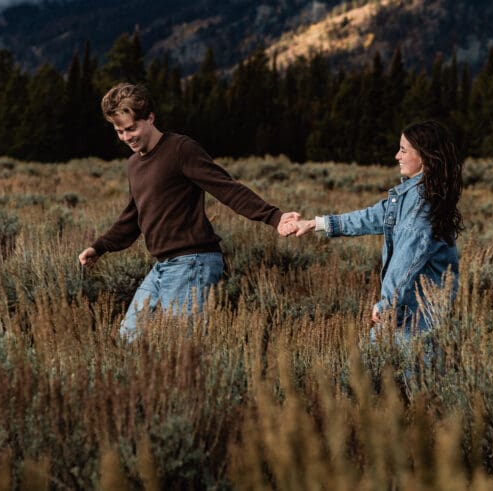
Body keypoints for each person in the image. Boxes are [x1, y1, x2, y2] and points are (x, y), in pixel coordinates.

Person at [78, 82, 298, 339]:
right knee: (129, 335)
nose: (127, 137)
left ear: (150, 118)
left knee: (180, 345)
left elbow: (226, 188)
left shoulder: (180, 150)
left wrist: (274, 217)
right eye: (119, 131)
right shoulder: (133, 164)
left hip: (193, 261)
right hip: (163, 265)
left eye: (131, 128)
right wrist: (99, 247)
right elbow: (132, 218)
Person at [278, 120, 463, 341]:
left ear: (423, 156)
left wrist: (387, 305)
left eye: (403, 150)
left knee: (395, 372)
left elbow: (406, 263)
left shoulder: (419, 206)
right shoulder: (414, 196)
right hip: (414, 315)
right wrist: (312, 223)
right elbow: (369, 217)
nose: (397, 156)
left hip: (413, 322)